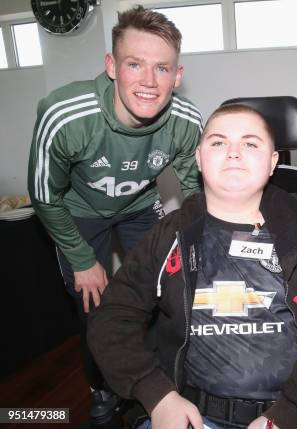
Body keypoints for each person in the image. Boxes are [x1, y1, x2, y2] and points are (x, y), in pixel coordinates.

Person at [87, 104, 297, 429]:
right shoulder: (169, 235)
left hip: (294, 417)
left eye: (250, 143)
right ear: (199, 158)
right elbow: (112, 317)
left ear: (273, 162)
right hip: (189, 415)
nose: (234, 153)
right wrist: (158, 396)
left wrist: (289, 413)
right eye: (218, 142)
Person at [27, 6, 202, 424]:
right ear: (111, 67)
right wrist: (82, 259)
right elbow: (43, 195)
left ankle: (161, 383)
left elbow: (196, 191)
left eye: (162, 68)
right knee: (96, 308)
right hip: (78, 214)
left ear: (177, 76)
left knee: (171, 289)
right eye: (134, 64)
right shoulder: (66, 115)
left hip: (140, 206)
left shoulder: (185, 121)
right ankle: (102, 390)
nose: (148, 81)